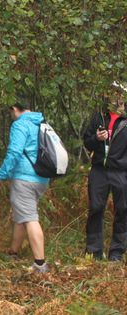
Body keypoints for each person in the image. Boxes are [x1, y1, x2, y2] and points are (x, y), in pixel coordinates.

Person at [0, 102, 50, 273]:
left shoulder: (20, 124)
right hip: (41, 177)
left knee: (30, 218)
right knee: (22, 216)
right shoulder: (41, 123)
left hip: (25, 177)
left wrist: (1, 176)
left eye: (11, 112)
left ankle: (40, 265)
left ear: (15, 109)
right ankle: (13, 252)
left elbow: (15, 152)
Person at [82, 85, 127, 262]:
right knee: (96, 208)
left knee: (122, 210)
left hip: (121, 172)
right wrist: (96, 139)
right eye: (113, 96)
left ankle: (116, 253)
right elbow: (87, 141)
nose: (117, 100)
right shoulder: (99, 117)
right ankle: (94, 252)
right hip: (99, 170)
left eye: (120, 97)